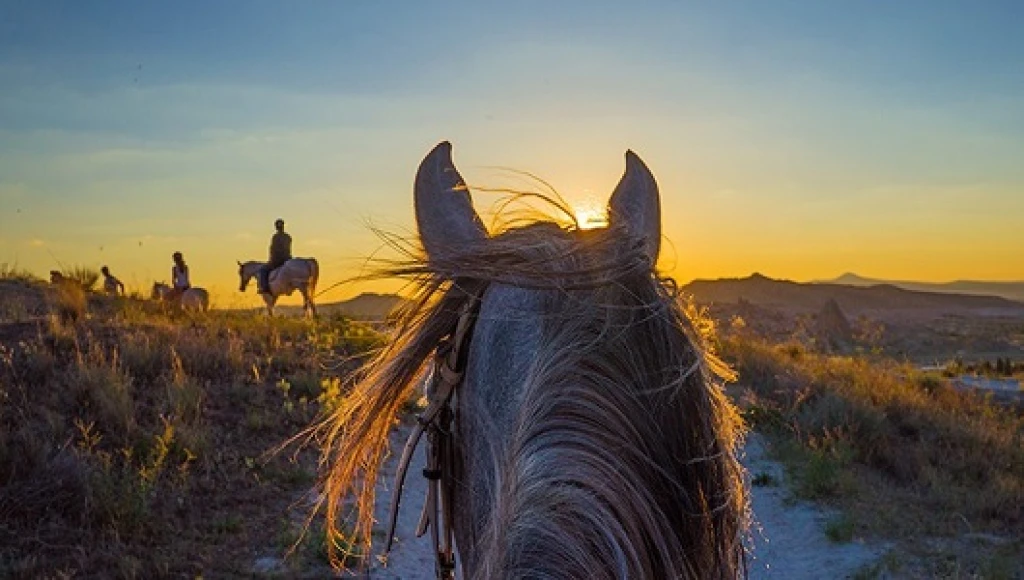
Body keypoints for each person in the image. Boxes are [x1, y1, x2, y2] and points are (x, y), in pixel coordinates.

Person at [258, 218, 292, 294]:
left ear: (276, 227)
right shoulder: (288, 236)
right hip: (288, 259)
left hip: (277, 260)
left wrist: (271, 259)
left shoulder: (275, 237)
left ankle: (264, 288)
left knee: (262, 270)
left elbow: (273, 250)